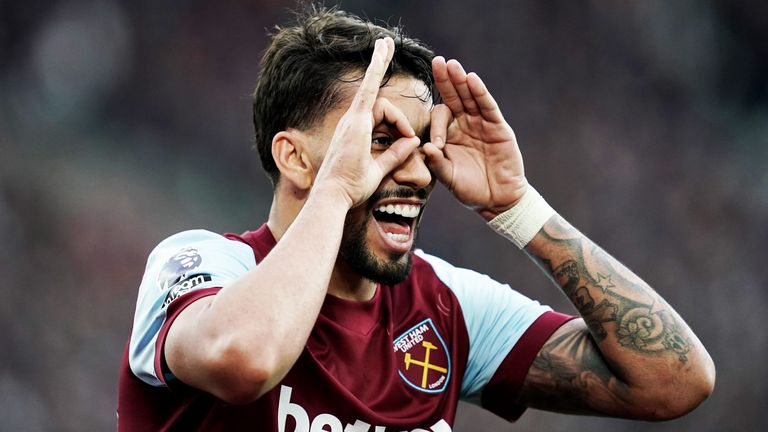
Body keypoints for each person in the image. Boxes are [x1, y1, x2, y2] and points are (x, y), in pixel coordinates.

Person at [117, 6, 715, 431]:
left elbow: (673, 381)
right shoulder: (201, 265)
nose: (418, 170)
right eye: (381, 138)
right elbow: (247, 359)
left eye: (425, 142)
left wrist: (516, 207)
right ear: (294, 157)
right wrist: (337, 190)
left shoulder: (447, 305)